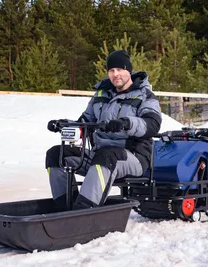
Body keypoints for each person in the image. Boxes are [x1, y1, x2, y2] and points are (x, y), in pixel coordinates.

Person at [45, 50, 162, 209]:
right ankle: (64, 207)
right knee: (55, 154)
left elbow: (152, 125)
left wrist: (126, 123)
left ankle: (85, 211)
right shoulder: (101, 94)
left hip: (134, 156)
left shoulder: (145, 96)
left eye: (120, 69)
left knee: (107, 156)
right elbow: (85, 122)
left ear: (129, 70)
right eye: (112, 70)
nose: (116, 74)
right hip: (99, 155)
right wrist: (63, 124)